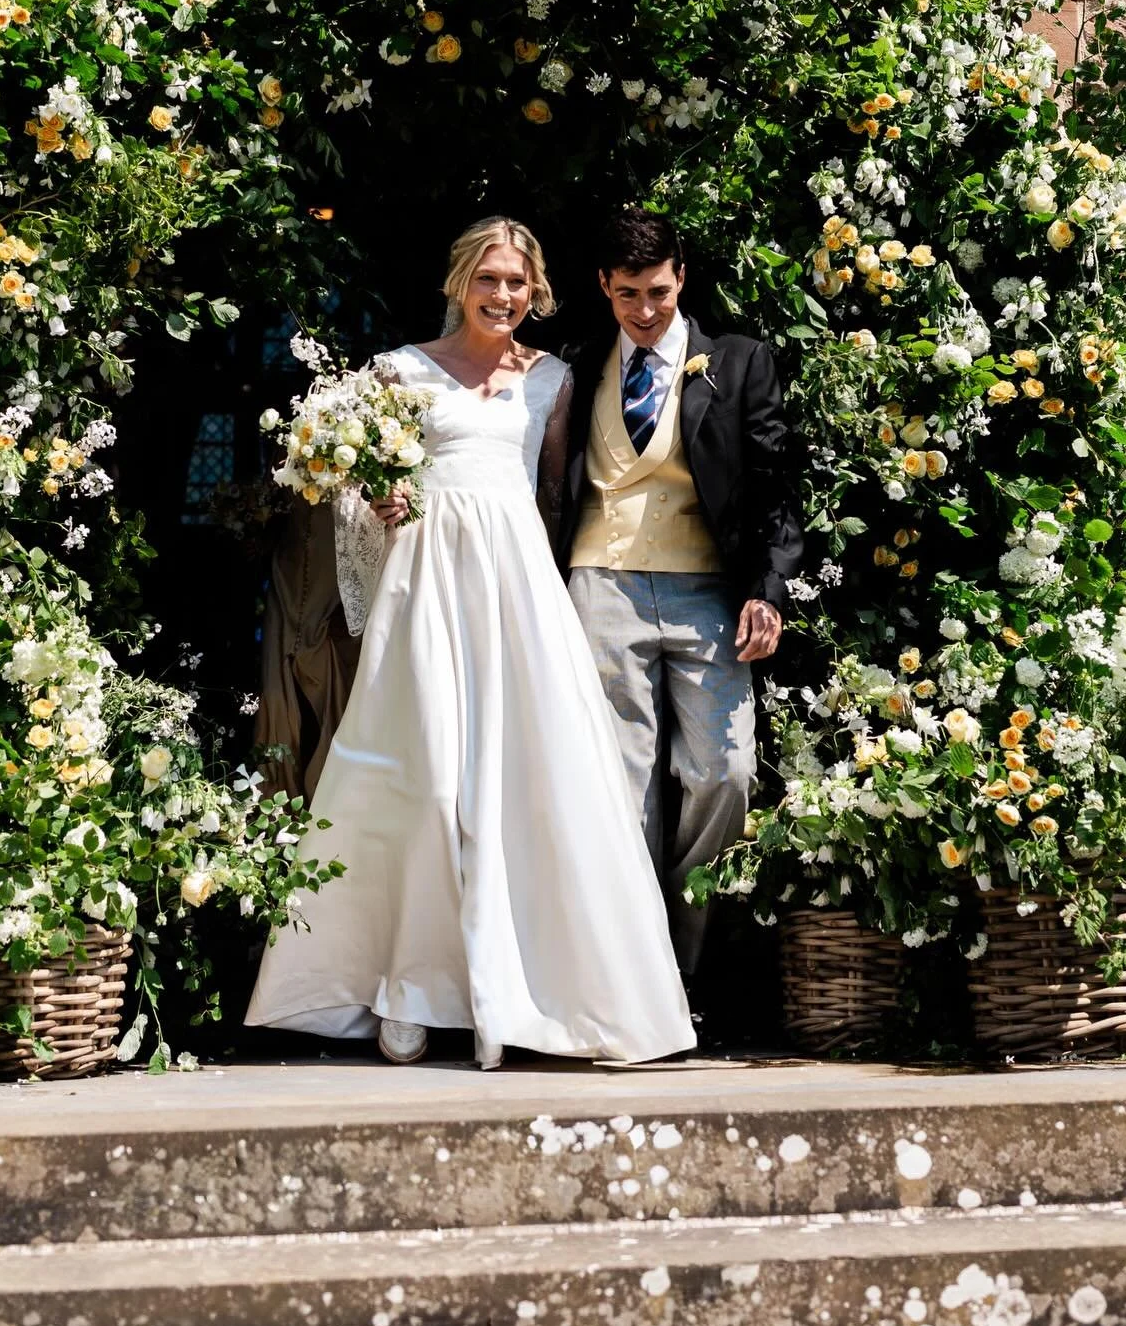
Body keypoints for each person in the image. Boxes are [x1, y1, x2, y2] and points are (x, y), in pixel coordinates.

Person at [245, 217, 695, 1068]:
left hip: (516, 590)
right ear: (460, 282)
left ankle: (525, 989)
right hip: (425, 585)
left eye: (518, 283)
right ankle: (406, 986)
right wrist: (373, 508)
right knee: (420, 775)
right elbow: (353, 492)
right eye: (489, 279)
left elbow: (554, 499)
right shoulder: (398, 372)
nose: (503, 296)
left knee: (526, 777)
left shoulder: (554, 379)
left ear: (538, 291)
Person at [560, 211, 803, 978]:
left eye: (658, 292)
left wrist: (767, 592)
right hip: (599, 583)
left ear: (682, 277)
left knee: (723, 774)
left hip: (706, 591)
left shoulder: (738, 362)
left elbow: (776, 490)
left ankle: (683, 961)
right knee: (619, 781)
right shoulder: (572, 364)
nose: (644, 310)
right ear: (603, 286)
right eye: (628, 293)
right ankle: (632, 977)